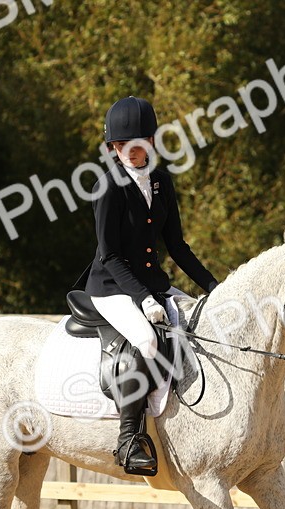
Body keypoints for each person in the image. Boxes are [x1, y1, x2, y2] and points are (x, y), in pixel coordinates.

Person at [76, 96, 219, 475]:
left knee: (200, 324)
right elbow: (109, 255)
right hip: (111, 287)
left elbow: (178, 246)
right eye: (128, 147)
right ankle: (128, 440)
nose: (137, 153)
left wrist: (212, 285)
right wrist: (142, 299)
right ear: (115, 148)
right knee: (148, 340)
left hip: (153, 285)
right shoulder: (107, 187)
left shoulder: (160, 181)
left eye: (142, 145)